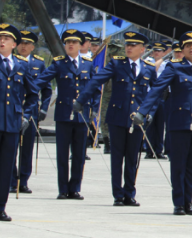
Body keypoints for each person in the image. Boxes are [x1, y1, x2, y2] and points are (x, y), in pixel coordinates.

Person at [137, 31, 192, 216]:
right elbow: (157, 89)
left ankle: (189, 201)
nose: (191, 48)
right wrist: (143, 111)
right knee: (178, 164)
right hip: (179, 123)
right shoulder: (174, 67)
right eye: (187, 46)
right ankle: (179, 203)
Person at [74, 31, 156, 207]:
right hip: (117, 117)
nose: (129, 48)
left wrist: (149, 113)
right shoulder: (117, 64)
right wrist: (81, 99)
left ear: (142, 49)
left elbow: (156, 94)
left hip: (137, 119)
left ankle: (130, 193)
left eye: (133, 46)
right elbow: (97, 80)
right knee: (117, 157)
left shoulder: (149, 68)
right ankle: (118, 194)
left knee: (133, 158)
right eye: (128, 45)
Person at [35, 29, 100, 200]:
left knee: (79, 155)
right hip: (63, 115)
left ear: (80, 45)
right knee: (63, 154)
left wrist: (94, 109)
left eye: (74, 42)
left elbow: (95, 88)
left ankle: (75, 188)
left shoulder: (88, 64)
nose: (71, 45)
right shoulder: (59, 64)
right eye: (68, 42)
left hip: (82, 115)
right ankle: (63, 189)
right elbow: (40, 81)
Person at [0, 24, 39, 221]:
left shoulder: (21, 66)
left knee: (6, 168)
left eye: (6, 39)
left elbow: (33, 95)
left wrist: (25, 116)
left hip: (12, 124)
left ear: (14, 44)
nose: (2, 41)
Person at [9, 30, 51, 195]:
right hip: (13, 110)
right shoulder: (11, 62)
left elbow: (46, 89)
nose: (23, 46)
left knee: (27, 149)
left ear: (33, 47)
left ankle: (23, 181)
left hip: (31, 112)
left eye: (27, 44)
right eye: (21, 43)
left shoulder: (38, 64)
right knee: (11, 148)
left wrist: (44, 108)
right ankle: (12, 180)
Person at [144, 41, 169, 159]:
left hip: (162, 95)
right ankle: (149, 149)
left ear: (164, 52)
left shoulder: (167, 64)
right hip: (149, 95)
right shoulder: (147, 63)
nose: (157, 53)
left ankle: (158, 150)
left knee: (160, 124)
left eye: (159, 51)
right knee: (149, 122)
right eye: (155, 51)